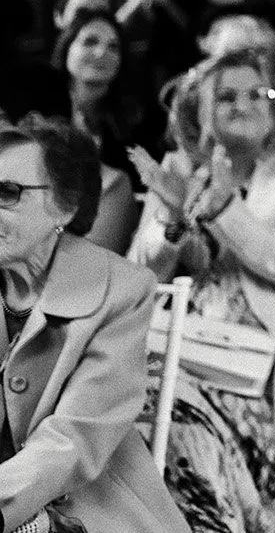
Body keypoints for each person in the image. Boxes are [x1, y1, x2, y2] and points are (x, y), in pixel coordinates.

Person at [129, 50, 275, 533]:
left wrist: (224, 211)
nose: (244, 104)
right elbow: (140, 272)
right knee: (144, 412)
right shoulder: (178, 167)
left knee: (178, 427)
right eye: (226, 96)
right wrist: (172, 221)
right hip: (182, 345)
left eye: (258, 93)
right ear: (198, 109)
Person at [0, 116, 192, 533]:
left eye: (7, 193)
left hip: (83, 510)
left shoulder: (123, 290)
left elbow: (72, 441)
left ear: (65, 206)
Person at [52, 11, 157, 252]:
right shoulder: (41, 110)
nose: (102, 53)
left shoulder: (136, 122)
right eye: (90, 42)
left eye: (113, 47)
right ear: (67, 48)